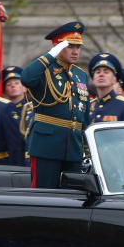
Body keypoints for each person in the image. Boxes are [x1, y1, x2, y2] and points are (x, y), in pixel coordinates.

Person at [21, 22, 90, 188]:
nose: (75, 51)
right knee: (44, 196)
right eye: (70, 46)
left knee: (74, 197)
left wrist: (86, 148)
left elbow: (84, 114)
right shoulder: (44, 68)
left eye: (78, 47)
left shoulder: (80, 75)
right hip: (47, 145)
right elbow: (26, 78)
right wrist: (50, 55)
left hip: (73, 147)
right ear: (57, 47)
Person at [88, 52, 124, 123]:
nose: (101, 75)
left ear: (114, 79)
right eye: (98, 72)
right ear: (93, 79)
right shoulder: (87, 106)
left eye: (106, 72)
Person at [2, 65, 33, 166]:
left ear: (24, 88)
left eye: (17, 83)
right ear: (5, 90)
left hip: (24, 161)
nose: (13, 86)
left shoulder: (31, 109)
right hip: (6, 161)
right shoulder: (2, 110)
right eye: (9, 84)